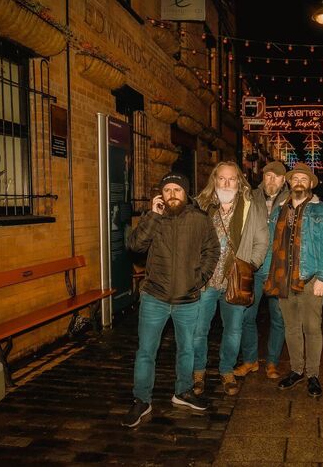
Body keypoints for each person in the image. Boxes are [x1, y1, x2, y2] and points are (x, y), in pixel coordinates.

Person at [122, 172, 220, 427]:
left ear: (186, 193)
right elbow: (135, 246)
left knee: (186, 349)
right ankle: (142, 400)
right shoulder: (154, 218)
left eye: (177, 189)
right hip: (155, 297)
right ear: (161, 195)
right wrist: (152, 216)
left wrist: (199, 278)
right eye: (167, 190)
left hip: (188, 298)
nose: (172, 194)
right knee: (146, 351)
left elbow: (212, 249)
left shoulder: (200, 219)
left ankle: (183, 391)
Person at [192, 162, 269, 396]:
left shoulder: (251, 207)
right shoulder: (201, 205)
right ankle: (198, 371)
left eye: (231, 179)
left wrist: (249, 266)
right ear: (214, 180)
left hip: (235, 281)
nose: (226, 183)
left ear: (239, 181)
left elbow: (262, 241)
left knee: (233, 331)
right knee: (199, 330)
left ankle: (226, 370)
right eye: (222, 179)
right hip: (205, 281)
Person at [264, 162, 323, 398]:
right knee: (291, 328)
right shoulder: (279, 211)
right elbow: (271, 245)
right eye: (295, 179)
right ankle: (297, 370)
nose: (299, 182)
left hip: (310, 278)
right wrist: (268, 274)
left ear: (310, 185)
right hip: (283, 278)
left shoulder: (322, 211)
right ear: (289, 183)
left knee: (312, 328)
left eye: (303, 179)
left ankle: (313, 374)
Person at [234, 161, 290, 380]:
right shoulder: (250, 197)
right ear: (262, 177)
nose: (271, 180)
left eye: (276, 176)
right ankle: (250, 360)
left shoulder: (291, 199)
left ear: (284, 179)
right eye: (268, 175)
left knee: (278, 318)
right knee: (247, 315)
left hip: (278, 268)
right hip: (253, 266)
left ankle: (272, 362)